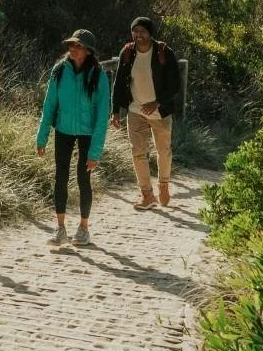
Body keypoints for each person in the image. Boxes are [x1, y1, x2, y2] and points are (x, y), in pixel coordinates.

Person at [35, 28, 111, 246]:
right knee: (60, 176)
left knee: (83, 179)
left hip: (88, 133)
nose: (72, 49)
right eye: (71, 45)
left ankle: (83, 228)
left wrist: (95, 151)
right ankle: (59, 228)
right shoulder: (59, 71)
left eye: (77, 46)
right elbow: (49, 105)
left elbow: (101, 117)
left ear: (88, 50)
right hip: (63, 130)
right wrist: (42, 136)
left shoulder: (98, 75)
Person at [111, 15, 183, 208]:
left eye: (143, 31)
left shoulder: (164, 52)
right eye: (135, 31)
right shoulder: (128, 52)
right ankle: (147, 194)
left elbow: (175, 84)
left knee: (163, 151)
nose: (138, 35)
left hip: (160, 112)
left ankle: (164, 185)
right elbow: (118, 83)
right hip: (135, 111)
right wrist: (115, 111)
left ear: (151, 33)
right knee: (138, 153)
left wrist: (157, 102)